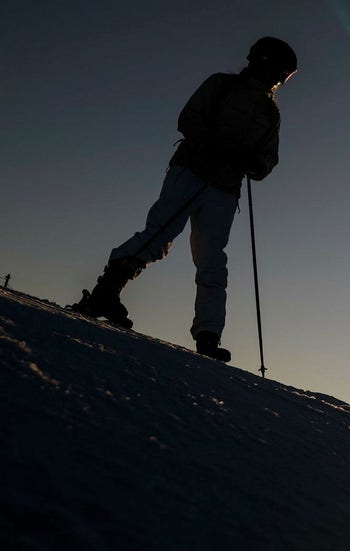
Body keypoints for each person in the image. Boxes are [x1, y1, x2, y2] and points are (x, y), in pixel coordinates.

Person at [71, 38, 298, 362]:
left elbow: (268, 158)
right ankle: (106, 293)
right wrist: (219, 146)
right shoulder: (222, 85)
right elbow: (189, 119)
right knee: (160, 233)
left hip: (224, 188)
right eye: (279, 70)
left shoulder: (271, 112)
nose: (279, 79)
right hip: (191, 171)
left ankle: (208, 336)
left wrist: (255, 164)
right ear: (262, 62)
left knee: (212, 261)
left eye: (284, 74)